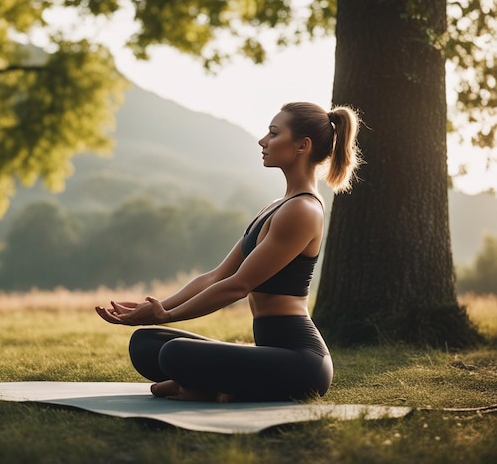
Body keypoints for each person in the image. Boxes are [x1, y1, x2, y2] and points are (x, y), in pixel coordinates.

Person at [96, 102, 361, 402]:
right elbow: (216, 277)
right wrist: (155, 311)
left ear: (303, 145)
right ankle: (210, 386)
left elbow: (238, 286)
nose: (263, 141)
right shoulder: (276, 207)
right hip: (270, 354)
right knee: (146, 343)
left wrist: (167, 315)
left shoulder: (302, 210)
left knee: (174, 353)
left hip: (302, 364)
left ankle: (205, 386)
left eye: (273, 133)